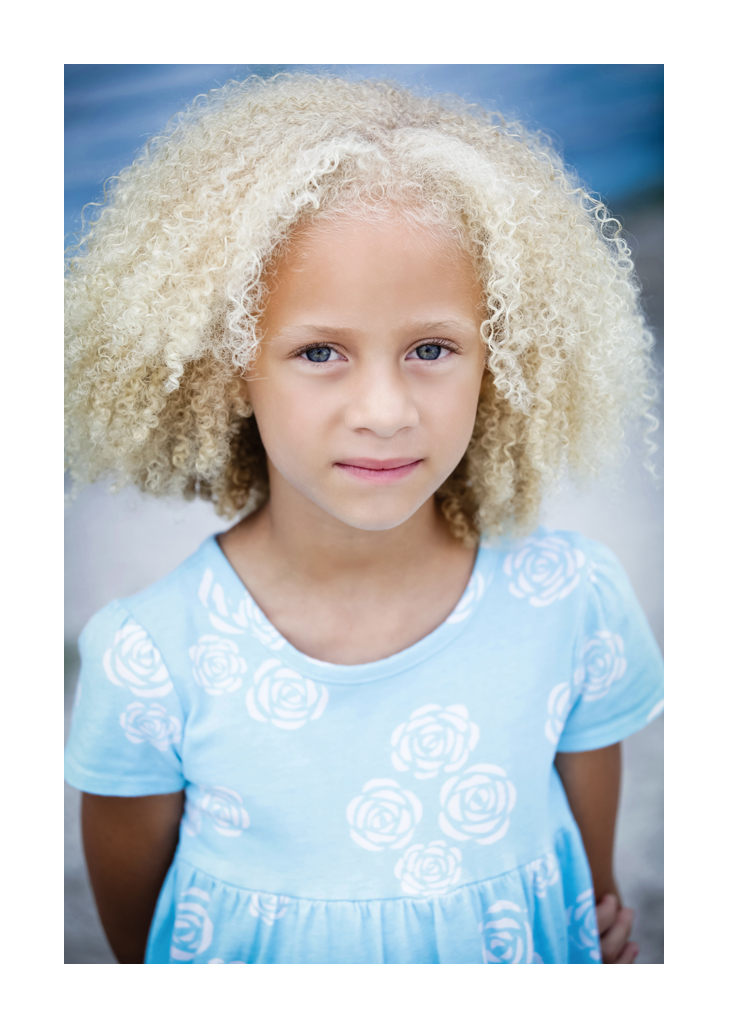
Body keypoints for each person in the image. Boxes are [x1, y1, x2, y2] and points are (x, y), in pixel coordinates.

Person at [64, 72, 663, 964]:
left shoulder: (571, 599)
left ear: (498, 359)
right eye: (319, 352)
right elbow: (141, 951)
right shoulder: (150, 657)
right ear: (227, 369)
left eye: (431, 348)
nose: (384, 409)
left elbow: (587, 870)